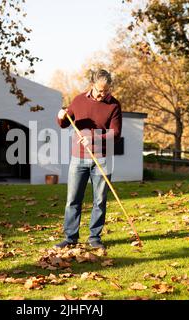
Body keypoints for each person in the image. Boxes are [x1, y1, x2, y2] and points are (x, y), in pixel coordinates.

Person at [55, 69, 122, 250]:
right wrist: (61, 117)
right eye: (100, 90)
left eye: (106, 91)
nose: (103, 94)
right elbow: (65, 122)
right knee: (73, 199)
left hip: (102, 158)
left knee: (99, 200)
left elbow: (115, 133)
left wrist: (94, 138)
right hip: (78, 158)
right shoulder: (78, 100)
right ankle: (70, 237)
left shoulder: (114, 105)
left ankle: (94, 237)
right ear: (92, 85)